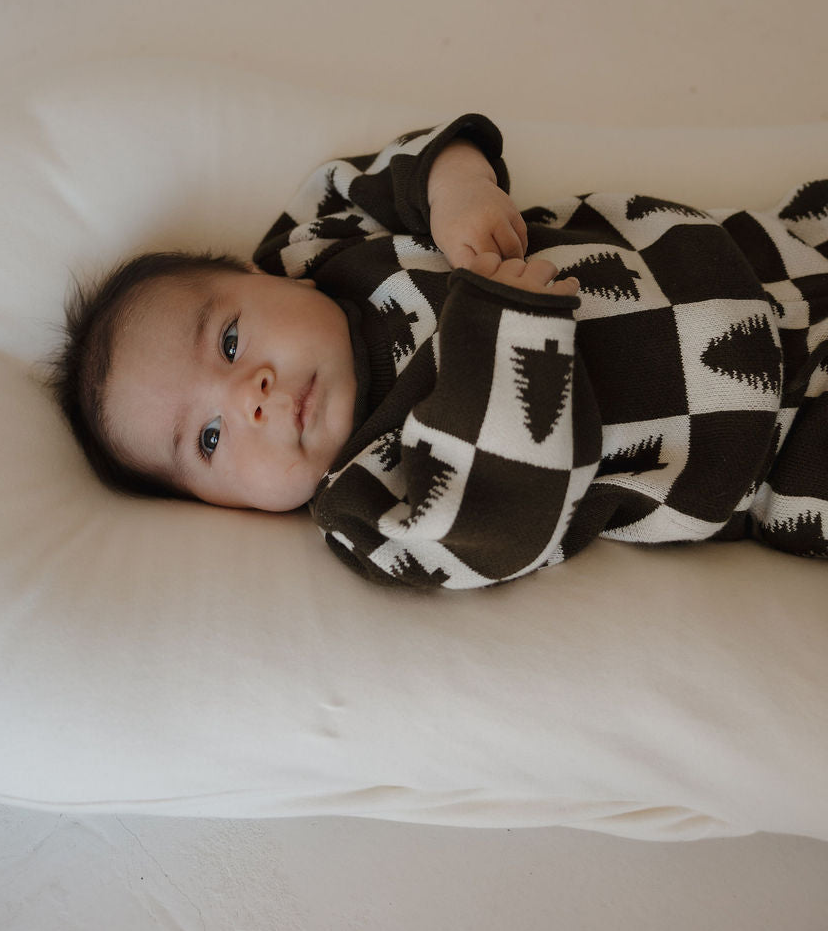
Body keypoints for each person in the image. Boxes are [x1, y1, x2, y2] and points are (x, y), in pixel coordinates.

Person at [51, 114, 828, 588]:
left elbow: (393, 166)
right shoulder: (368, 504)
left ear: (259, 274)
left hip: (760, 251)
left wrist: (458, 188)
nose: (248, 395)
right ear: (221, 508)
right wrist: (508, 322)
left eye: (228, 340)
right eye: (211, 439)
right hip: (773, 443)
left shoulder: (318, 242)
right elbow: (500, 523)